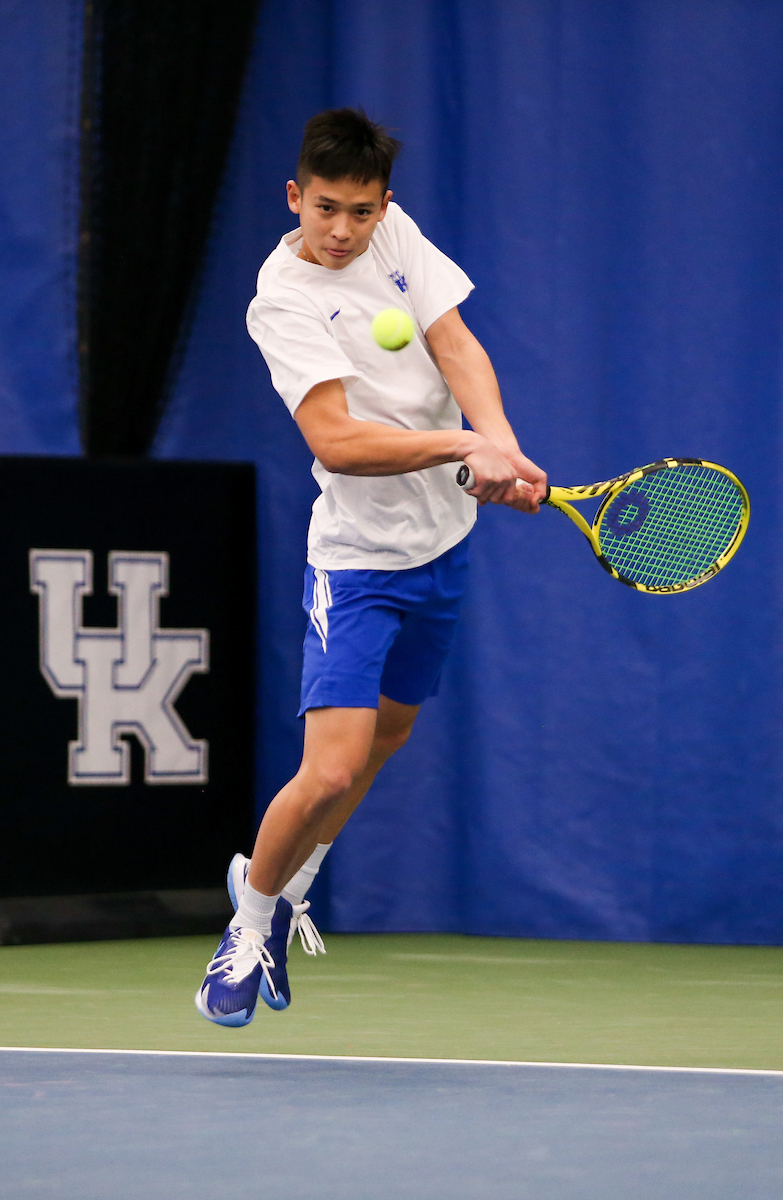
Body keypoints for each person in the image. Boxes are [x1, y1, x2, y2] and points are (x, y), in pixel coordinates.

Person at [195, 107, 547, 1027]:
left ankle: (296, 883)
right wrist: (463, 445)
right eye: (326, 209)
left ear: (383, 205)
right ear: (295, 197)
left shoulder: (396, 236)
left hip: (441, 549)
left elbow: (454, 345)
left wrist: (499, 448)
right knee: (332, 771)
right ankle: (249, 921)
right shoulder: (281, 299)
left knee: (389, 736)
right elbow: (337, 442)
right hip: (356, 565)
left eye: (360, 211)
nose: (344, 230)